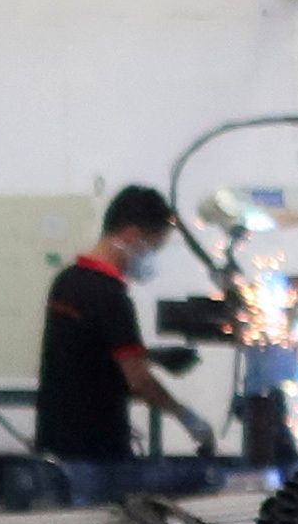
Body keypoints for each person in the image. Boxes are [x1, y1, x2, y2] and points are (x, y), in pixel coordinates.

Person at [30, 187, 213, 496]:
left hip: (54, 450)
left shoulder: (66, 281)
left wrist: (150, 355)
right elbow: (138, 381)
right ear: (130, 235)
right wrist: (185, 415)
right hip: (97, 458)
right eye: (153, 247)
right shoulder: (112, 296)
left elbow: (85, 352)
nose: (151, 258)